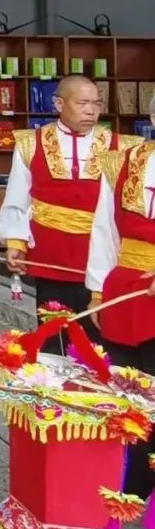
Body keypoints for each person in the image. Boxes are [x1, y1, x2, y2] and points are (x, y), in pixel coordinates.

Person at [0, 75, 136, 316]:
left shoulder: (122, 147)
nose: (91, 111)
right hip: (50, 251)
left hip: (101, 252)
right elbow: (17, 195)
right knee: (52, 328)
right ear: (59, 104)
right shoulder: (31, 143)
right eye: (82, 103)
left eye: (96, 103)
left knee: (97, 334)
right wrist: (15, 240)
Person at [85, 140, 155, 497]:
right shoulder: (121, 163)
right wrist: (98, 290)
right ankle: (123, 482)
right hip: (127, 288)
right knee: (124, 389)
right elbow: (104, 229)